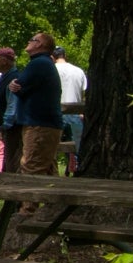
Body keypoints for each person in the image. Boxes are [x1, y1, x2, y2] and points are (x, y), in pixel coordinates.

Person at [10, 33, 64, 178]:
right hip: (46, 125)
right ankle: (53, 201)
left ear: (40, 44)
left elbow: (19, 87)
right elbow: (19, 85)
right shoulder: (44, 63)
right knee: (48, 170)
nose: (29, 41)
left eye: (32, 39)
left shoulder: (39, 63)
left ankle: (29, 201)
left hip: (39, 126)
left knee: (31, 170)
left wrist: (13, 85)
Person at [53, 46, 88, 175]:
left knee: (52, 147)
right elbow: (83, 91)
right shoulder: (78, 71)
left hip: (56, 113)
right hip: (75, 112)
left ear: (53, 57)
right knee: (78, 148)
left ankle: (53, 173)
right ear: (64, 55)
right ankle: (78, 172)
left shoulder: (52, 70)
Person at [0, 47, 23, 173]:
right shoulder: (6, 77)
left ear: (4, 61)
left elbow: (12, 105)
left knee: (12, 160)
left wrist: (6, 125)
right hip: (8, 127)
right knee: (8, 159)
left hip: (12, 128)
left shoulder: (12, 78)